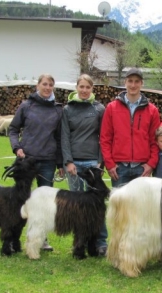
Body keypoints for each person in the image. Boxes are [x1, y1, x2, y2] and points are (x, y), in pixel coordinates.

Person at [8, 73, 64, 252]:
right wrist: (17, 147)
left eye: (50, 85)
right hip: (26, 160)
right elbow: (13, 129)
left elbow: (60, 137)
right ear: (38, 85)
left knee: (45, 203)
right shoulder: (26, 106)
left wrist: (60, 163)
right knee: (20, 199)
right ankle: (13, 237)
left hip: (48, 161)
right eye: (44, 84)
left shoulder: (58, 110)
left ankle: (42, 239)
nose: (47, 88)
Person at [61, 74, 108, 256]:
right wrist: (68, 161)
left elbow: (103, 137)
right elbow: (64, 136)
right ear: (76, 88)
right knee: (76, 207)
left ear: (92, 89)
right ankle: (78, 243)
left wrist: (99, 162)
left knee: (96, 205)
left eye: (87, 87)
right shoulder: (67, 109)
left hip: (92, 164)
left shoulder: (99, 109)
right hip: (74, 164)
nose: (84, 90)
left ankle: (99, 242)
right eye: (81, 87)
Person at [100, 68, 160, 188]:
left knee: (141, 206)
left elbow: (155, 140)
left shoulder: (152, 110)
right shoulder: (112, 108)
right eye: (130, 81)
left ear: (141, 83)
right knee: (120, 207)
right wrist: (110, 164)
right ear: (125, 83)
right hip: (119, 168)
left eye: (137, 81)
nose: (133, 85)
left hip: (142, 168)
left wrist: (151, 164)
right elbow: (105, 138)